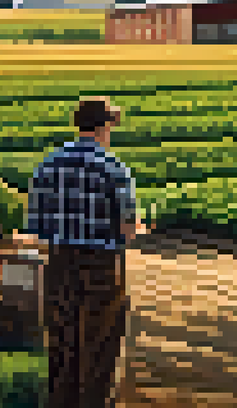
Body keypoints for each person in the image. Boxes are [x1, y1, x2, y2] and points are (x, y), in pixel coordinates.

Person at [25, 98, 148, 408]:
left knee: (61, 338)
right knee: (100, 341)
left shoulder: (49, 164)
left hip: (60, 260)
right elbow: (127, 227)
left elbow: (36, 225)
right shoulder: (114, 167)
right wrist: (136, 228)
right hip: (102, 263)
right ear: (105, 126)